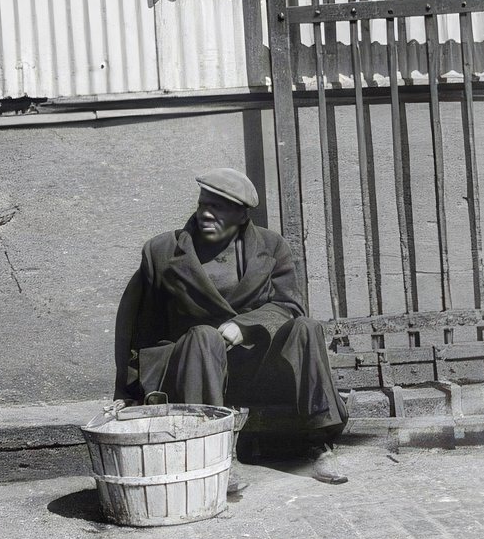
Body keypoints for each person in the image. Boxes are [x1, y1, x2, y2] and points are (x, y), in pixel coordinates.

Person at [114, 167, 348, 486]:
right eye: (203, 204)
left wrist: (245, 326)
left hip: (251, 365)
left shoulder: (272, 246)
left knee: (306, 327)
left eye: (219, 207)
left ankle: (320, 444)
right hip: (195, 368)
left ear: (241, 216)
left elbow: (289, 305)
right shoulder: (162, 252)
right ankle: (215, 457)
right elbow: (140, 327)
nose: (206, 213)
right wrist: (128, 392)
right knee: (204, 336)